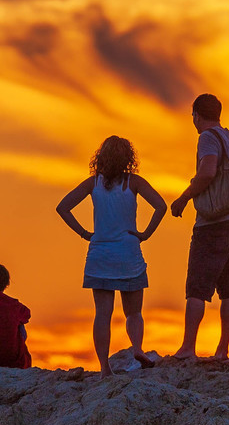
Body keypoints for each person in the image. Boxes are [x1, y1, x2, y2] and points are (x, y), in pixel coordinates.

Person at [58, 136, 167, 375]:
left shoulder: (92, 184)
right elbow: (161, 205)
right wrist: (145, 233)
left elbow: (63, 207)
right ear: (128, 158)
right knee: (134, 312)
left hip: (100, 254)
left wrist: (85, 233)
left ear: (101, 158)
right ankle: (137, 348)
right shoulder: (134, 182)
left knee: (102, 314)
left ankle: (105, 367)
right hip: (128, 253)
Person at [169, 93, 229, 359]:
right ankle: (222, 350)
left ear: (196, 114)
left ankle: (187, 348)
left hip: (212, 224)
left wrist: (184, 197)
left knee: (197, 286)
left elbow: (206, 172)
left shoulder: (207, 138)